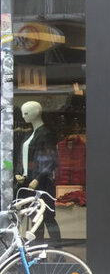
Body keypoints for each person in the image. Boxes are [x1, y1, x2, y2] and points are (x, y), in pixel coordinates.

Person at [14, 101, 61, 242]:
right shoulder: (29, 133)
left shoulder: (46, 134)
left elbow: (51, 160)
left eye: (26, 113)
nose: (23, 116)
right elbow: (23, 157)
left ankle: (58, 247)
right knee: (34, 216)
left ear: (36, 112)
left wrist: (38, 178)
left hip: (42, 183)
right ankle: (38, 248)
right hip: (28, 182)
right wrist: (19, 173)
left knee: (48, 217)